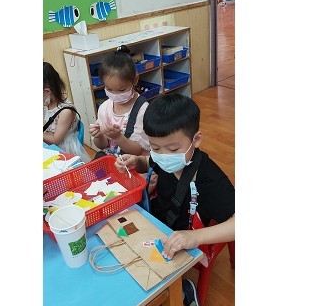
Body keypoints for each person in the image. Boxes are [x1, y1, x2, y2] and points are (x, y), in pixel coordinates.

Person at [115, 94, 235, 258]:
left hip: (180, 239)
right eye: (155, 148)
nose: (163, 155)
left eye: (172, 149)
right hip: (156, 220)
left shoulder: (210, 179)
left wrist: (195, 237)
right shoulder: (164, 158)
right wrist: (136, 161)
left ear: (196, 139)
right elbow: (150, 162)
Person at [88, 46, 151, 157]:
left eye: (121, 90)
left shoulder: (143, 111)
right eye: (109, 89)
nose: (115, 95)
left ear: (135, 80)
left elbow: (138, 151)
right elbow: (102, 146)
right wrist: (99, 136)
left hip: (134, 162)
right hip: (112, 160)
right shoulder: (104, 108)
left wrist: (118, 137)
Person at [43, 62, 90, 162]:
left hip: (64, 150)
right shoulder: (46, 103)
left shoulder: (65, 111)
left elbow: (56, 140)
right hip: (49, 144)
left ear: (47, 92)